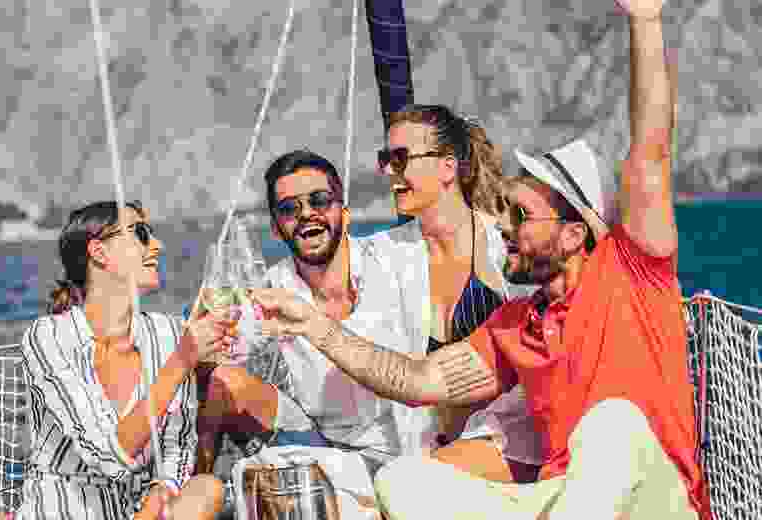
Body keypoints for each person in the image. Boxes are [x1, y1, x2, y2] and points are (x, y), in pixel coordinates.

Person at [248, 0, 711, 518]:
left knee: (612, 425)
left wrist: (645, 21)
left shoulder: (632, 271)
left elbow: (651, 153)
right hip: (566, 500)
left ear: (573, 233)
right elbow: (419, 381)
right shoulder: (515, 326)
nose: (504, 225)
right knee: (403, 481)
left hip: (655, 500)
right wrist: (315, 326)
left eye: (522, 215)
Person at [195, 150, 414, 480]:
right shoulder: (273, 288)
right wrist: (206, 338)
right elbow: (222, 350)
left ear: (345, 213)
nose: (307, 213)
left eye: (320, 200)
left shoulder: (393, 262)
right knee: (224, 381)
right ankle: (196, 490)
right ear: (275, 228)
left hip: (401, 447)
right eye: (289, 208)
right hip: (322, 445)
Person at [16, 201, 232, 520]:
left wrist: (157, 499)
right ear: (99, 252)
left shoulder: (170, 333)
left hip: (136, 510)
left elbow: (178, 446)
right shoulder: (49, 337)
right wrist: (182, 360)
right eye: (140, 233)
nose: (157, 245)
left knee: (207, 489)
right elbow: (106, 455)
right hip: (62, 511)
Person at [368, 103, 542, 482]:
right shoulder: (383, 255)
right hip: (428, 450)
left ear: (448, 167)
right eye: (385, 159)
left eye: (400, 158)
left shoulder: (505, 246)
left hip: (510, 447)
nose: (388, 171)